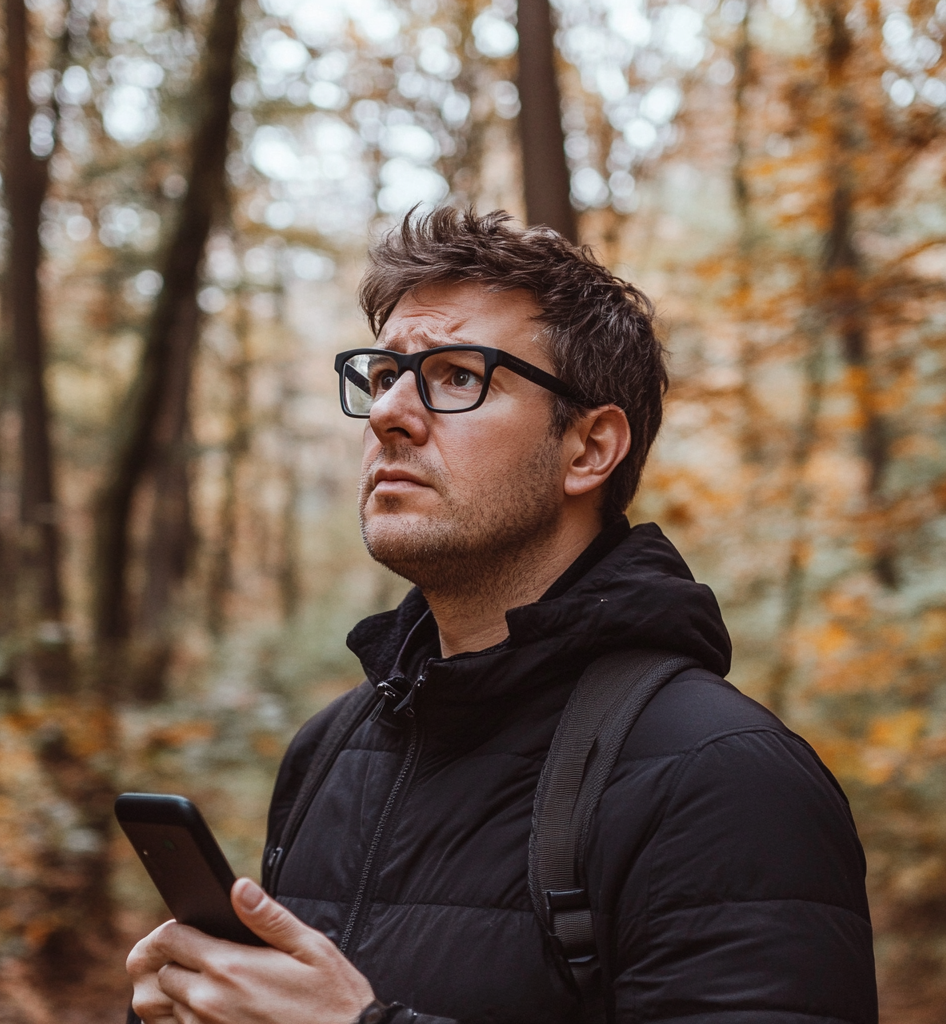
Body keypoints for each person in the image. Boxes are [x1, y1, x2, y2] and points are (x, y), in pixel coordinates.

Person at [127, 208, 878, 1024]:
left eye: (458, 376)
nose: (389, 415)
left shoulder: (726, 777)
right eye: (385, 376)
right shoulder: (329, 751)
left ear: (589, 449)